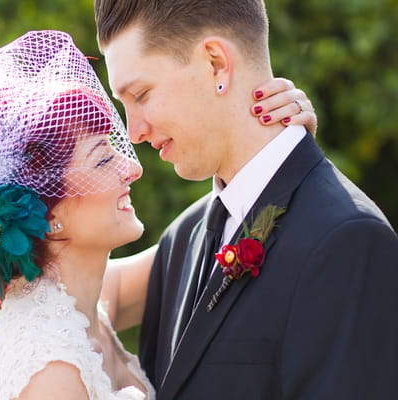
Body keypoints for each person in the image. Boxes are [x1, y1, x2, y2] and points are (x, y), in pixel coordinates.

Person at [0, 30, 315, 400]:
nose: (133, 167)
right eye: (104, 160)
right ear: (47, 212)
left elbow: (218, 237)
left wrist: (272, 149)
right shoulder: (52, 373)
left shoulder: (84, 301)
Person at [94, 1, 398, 399]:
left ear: (216, 64)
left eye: (142, 94)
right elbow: (81, 293)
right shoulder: (182, 238)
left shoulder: (349, 242)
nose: (133, 132)